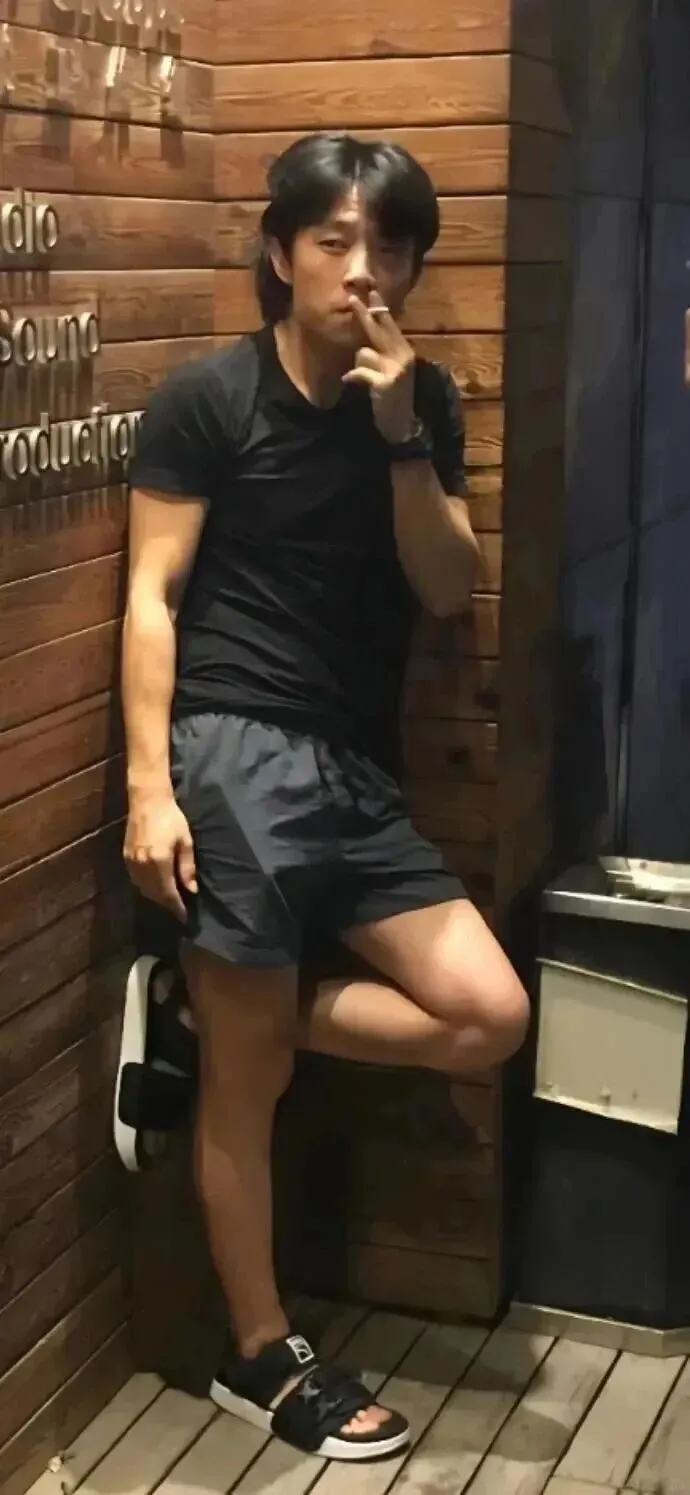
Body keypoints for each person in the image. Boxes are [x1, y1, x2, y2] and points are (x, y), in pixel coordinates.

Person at [116, 131, 529, 1462]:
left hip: (354, 767)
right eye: (334, 242)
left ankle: (206, 1004)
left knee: (485, 1014)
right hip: (230, 749)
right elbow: (151, 599)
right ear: (280, 252)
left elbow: (446, 588)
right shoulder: (209, 398)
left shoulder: (421, 401)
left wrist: (403, 438)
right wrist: (149, 790)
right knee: (251, 1089)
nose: (362, 272)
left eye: (387, 249)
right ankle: (258, 1351)